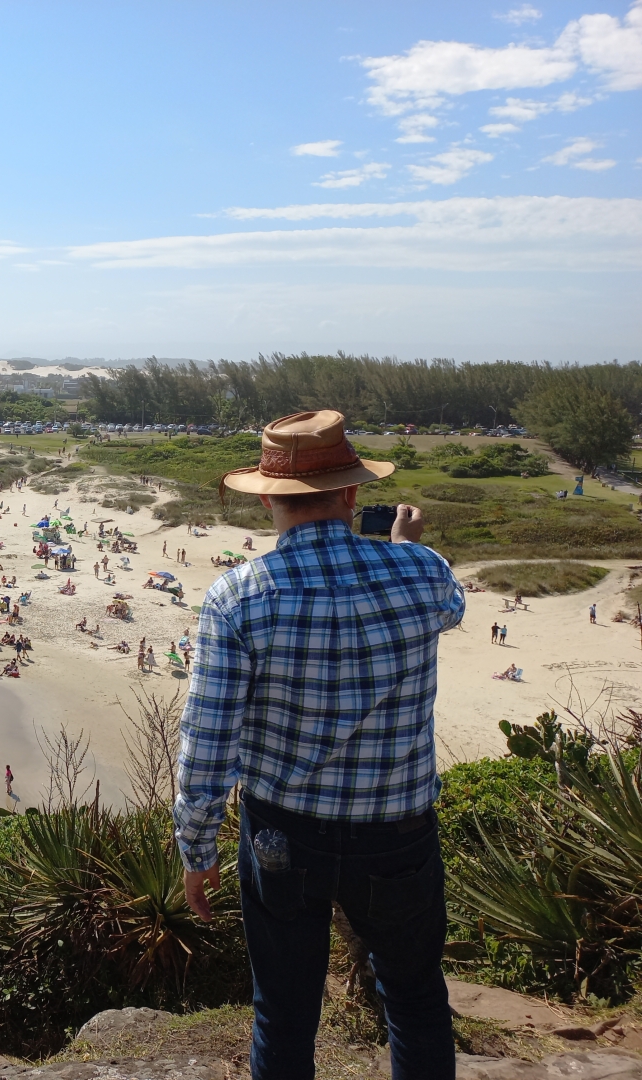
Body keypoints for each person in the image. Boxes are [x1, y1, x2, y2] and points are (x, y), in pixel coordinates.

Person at [175, 410, 463, 1079]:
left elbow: (209, 738)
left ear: (268, 498)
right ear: (352, 492)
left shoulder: (238, 596)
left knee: (283, 1010)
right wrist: (406, 546)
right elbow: (452, 605)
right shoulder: (422, 573)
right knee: (416, 999)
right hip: (398, 831)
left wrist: (196, 848)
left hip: (283, 834)